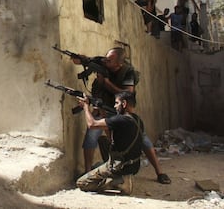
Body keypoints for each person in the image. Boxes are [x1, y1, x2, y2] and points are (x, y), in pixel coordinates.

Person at [72, 48, 171, 184]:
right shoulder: (103, 62)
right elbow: (87, 60)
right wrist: (79, 59)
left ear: (119, 64)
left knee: (143, 139)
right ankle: (88, 173)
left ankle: (159, 172)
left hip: (121, 111)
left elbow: (127, 93)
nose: (106, 62)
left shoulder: (128, 72)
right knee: (91, 136)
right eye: (106, 59)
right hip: (103, 107)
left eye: (109, 60)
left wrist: (106, 82)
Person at [76, 91, 143, 195]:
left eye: (117, 103)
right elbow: (112, 139)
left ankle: (115, 182)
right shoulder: (137, 120)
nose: (115, 106)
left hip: (119, 166)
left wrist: (85, 106)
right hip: (133, 165)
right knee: (102, 141)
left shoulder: (120, 119)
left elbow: (92, 124)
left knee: (82, 183)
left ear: (124, 104)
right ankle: (122, 178)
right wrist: (104, 114)